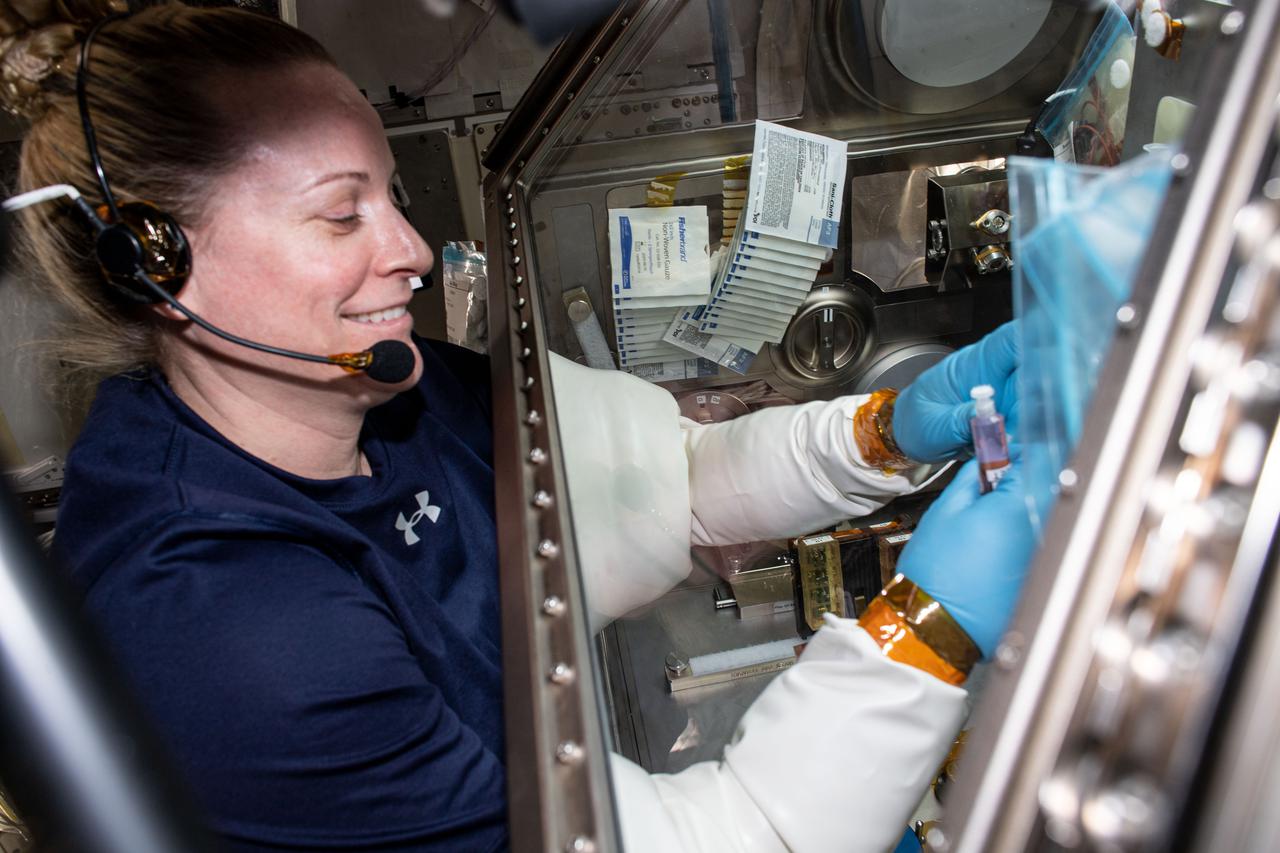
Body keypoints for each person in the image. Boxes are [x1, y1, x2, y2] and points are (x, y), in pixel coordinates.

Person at [1, 2, 1035, 850]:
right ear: (151, 266)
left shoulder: (380, 382)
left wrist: (889, 432)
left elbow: (668, 482)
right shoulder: (232, 633)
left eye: (393, 195)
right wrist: (927, 625)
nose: (409, 248)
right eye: (339, 213)